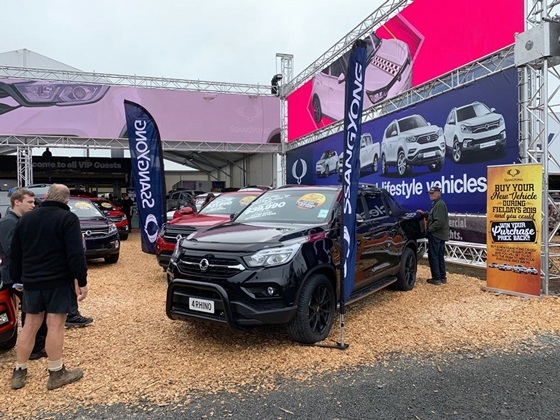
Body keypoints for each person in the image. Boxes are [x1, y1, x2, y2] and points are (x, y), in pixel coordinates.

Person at [9, 184, 88, 390]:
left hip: (32, 282)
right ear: (66, 200)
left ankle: (19, 370)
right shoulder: (68, 219)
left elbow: (15, 252)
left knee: (29, 326)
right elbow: (75, 253)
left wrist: (17, 279)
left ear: (46, 196)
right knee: (55, 325)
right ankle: (56, 372)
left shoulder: (26, 219)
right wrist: (82, 280)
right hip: (58, 282)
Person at [0, 188, 49, 360]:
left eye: (34, 202)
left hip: (25, 274)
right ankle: (34, 347)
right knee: (32, 310)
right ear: (17, 202)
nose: (33, 205)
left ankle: (37, 345)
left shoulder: (21, 221)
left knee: (34, 308)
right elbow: (11, 251)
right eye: (29, 202)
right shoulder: (8, 223)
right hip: (14, 276)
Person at [418, 186, 449, 286]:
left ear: (438, 193)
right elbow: (434, 216)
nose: (430, 195)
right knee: (439, 256)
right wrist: (425, 214)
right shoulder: (438, 204)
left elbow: (439, 221)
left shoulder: (439, 204)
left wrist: (428, 231)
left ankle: (436, 278)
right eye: (429, 193)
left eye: (432, 193)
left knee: (434, 256)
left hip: (436, 234)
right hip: (440, 235)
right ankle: (442, 277)